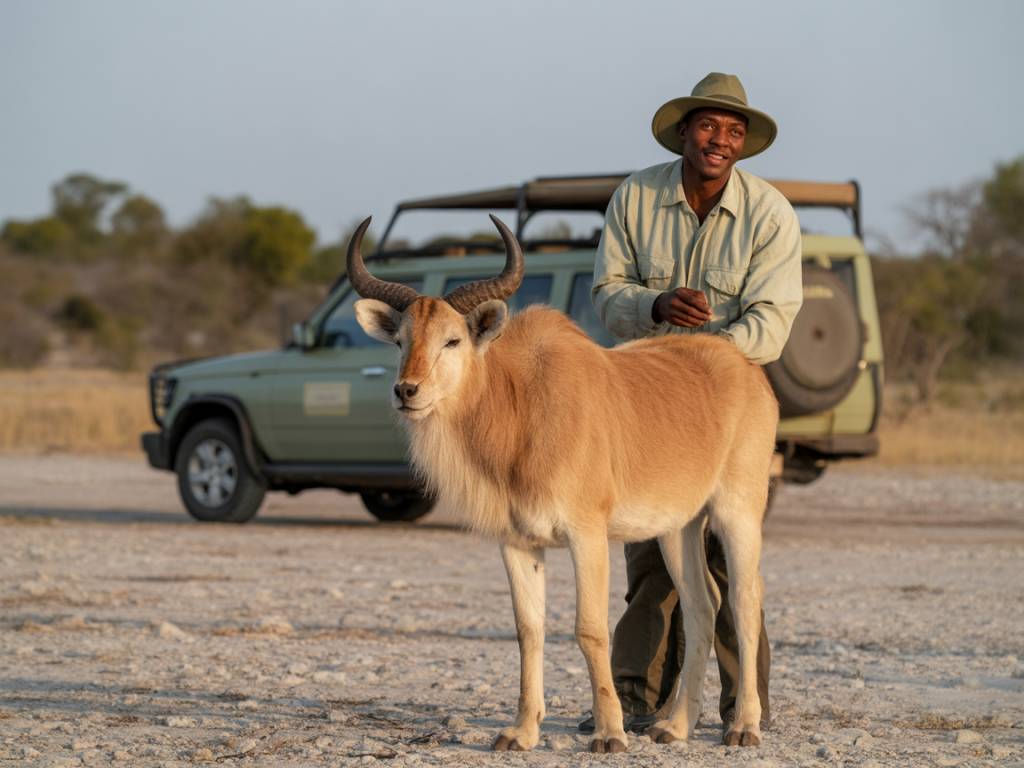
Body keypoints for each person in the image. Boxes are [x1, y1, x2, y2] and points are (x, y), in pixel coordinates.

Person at [586, 72, 803, 740]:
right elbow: (605, 293)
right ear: (685, 132)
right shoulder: (635, 195)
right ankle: (631, 700)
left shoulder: (770, 213)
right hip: (643, 399)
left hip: (726, 397)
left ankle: (745, 706)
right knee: (649, 562)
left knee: (733, 558)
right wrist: (651, 306)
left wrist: (704, 355)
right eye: (709, 126)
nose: (721, 140)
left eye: (734, 131)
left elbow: (772, 320)